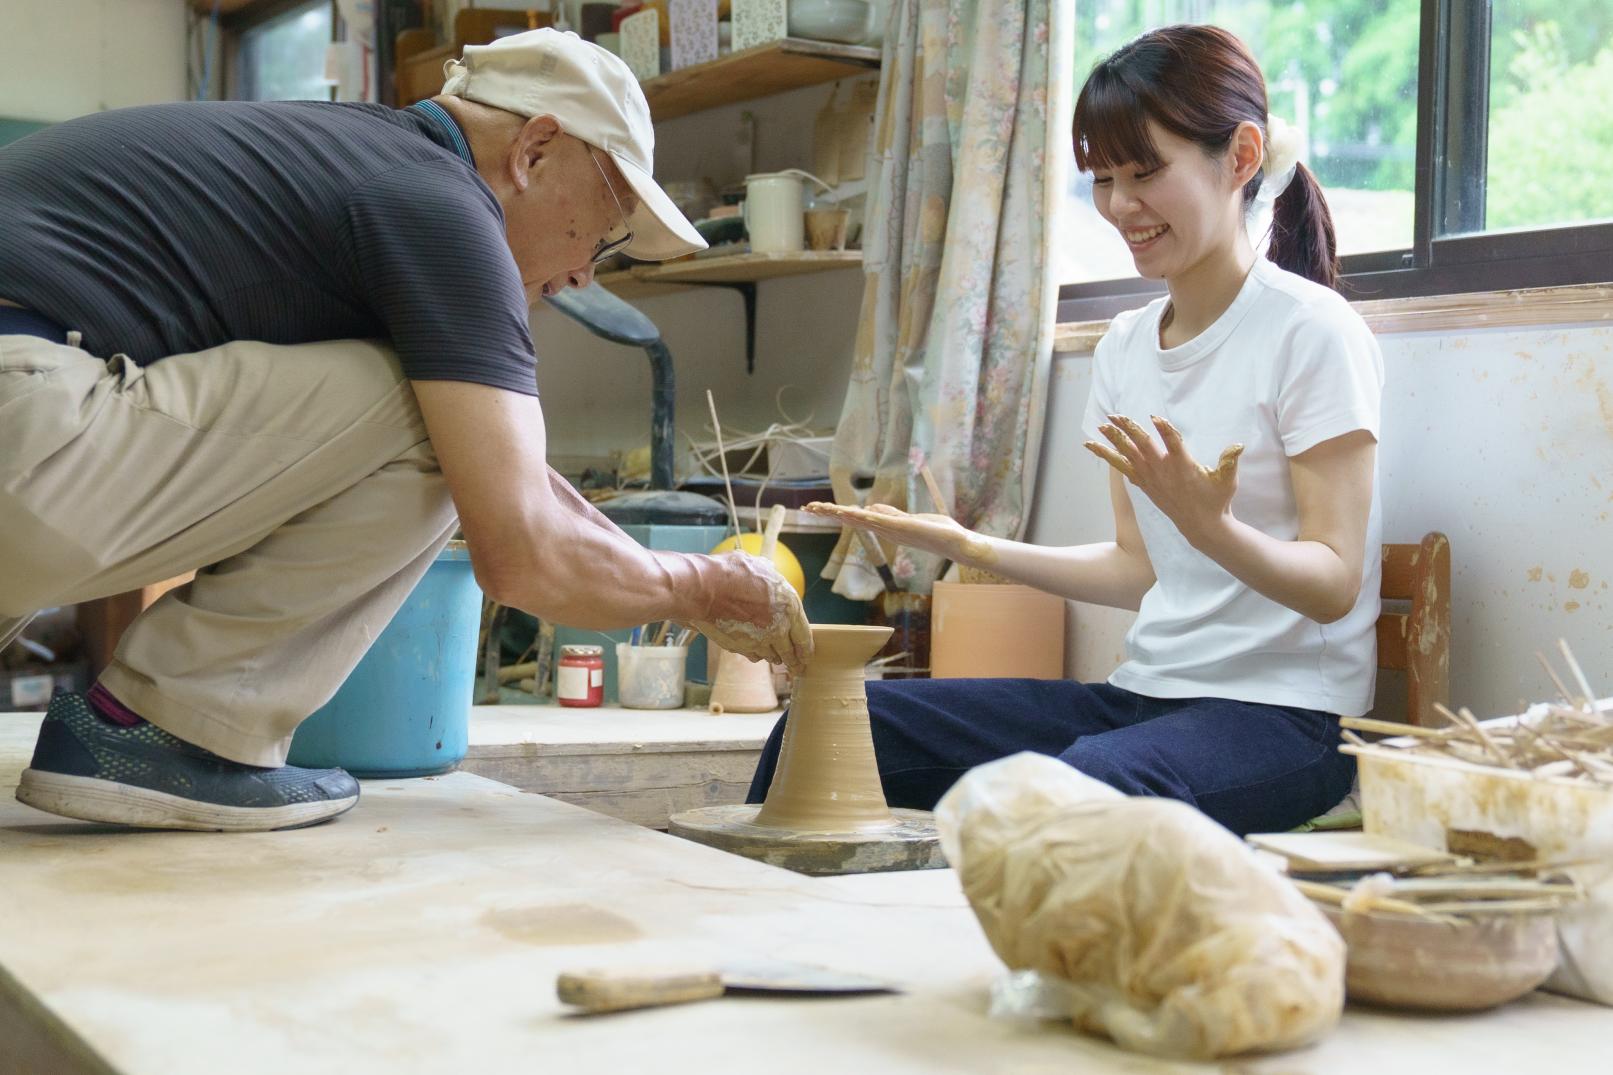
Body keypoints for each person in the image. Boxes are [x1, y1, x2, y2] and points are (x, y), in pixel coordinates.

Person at [0, 29, 809, 833]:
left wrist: (660, 571)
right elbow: (522, 548)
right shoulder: (442, 204)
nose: (582, 273)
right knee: (431, 416)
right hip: (22, 413)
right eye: (607, 225)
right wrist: (701, 588)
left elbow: (523, 485)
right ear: (535, 150)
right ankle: (172, 727)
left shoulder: (349, 164)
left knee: (443, 418)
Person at [760, 24, 1382, 836]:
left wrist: (1210, 526)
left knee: (1066, 791)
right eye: (1103, 177)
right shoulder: (1125, 347)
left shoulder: (1312, 332)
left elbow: (1334, 581)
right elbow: (1135, 569)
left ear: (1239, 157)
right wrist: (970, 545)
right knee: (831, 722)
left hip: (1288, 723)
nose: (1121, 204)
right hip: (1145, 698)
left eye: (1144, 171)